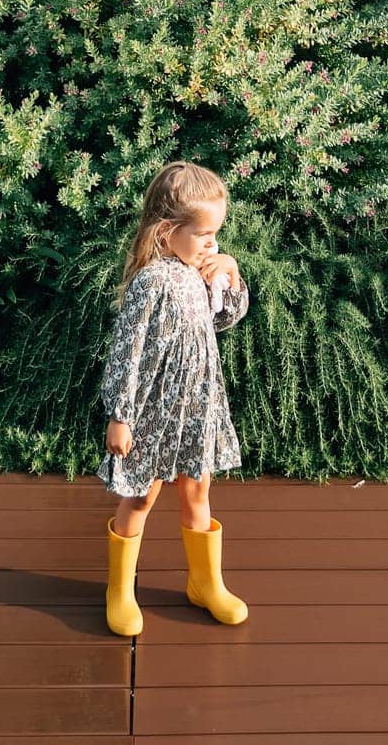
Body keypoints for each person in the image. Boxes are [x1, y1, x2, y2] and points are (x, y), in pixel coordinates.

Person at [98, 159, 250, 637]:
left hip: (198, 406)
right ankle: (120, 590)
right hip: (152, 413)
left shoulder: (197, 270)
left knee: (198, 489)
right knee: (140, 497)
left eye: (216, 235)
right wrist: (121, 416)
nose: (213, 244)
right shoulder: (152, 282)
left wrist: (231, 276)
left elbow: (221, 321)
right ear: (166, 231)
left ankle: (205, 584)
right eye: (205, 235)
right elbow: (127, 353)